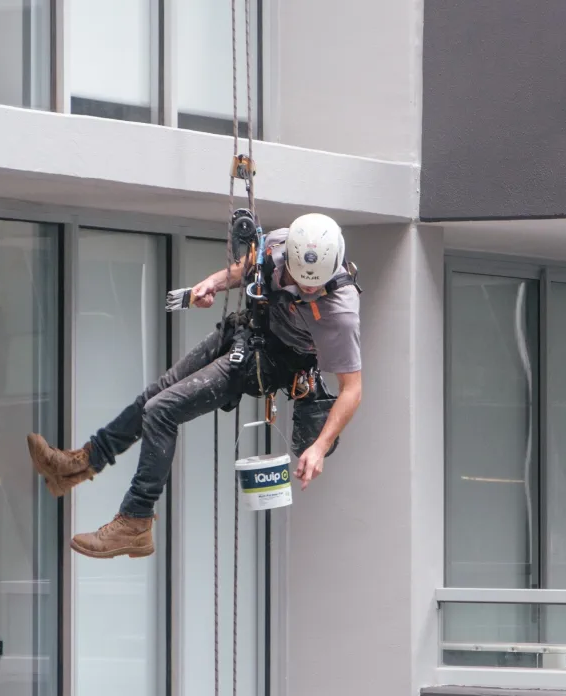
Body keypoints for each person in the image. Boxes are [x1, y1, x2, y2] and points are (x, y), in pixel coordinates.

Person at [27, 213, 362, 559]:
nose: (308, 290)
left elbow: (352, 388)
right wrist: (213, 283)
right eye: (300, 281)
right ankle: (78, 465)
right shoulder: (279, 243)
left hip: (272, 363)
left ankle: (135, 520)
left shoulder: (340, 311)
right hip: (248, 332)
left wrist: (319, 447)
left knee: (161, 410)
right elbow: (250, 266)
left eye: (315, 286)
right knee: (155, 395)